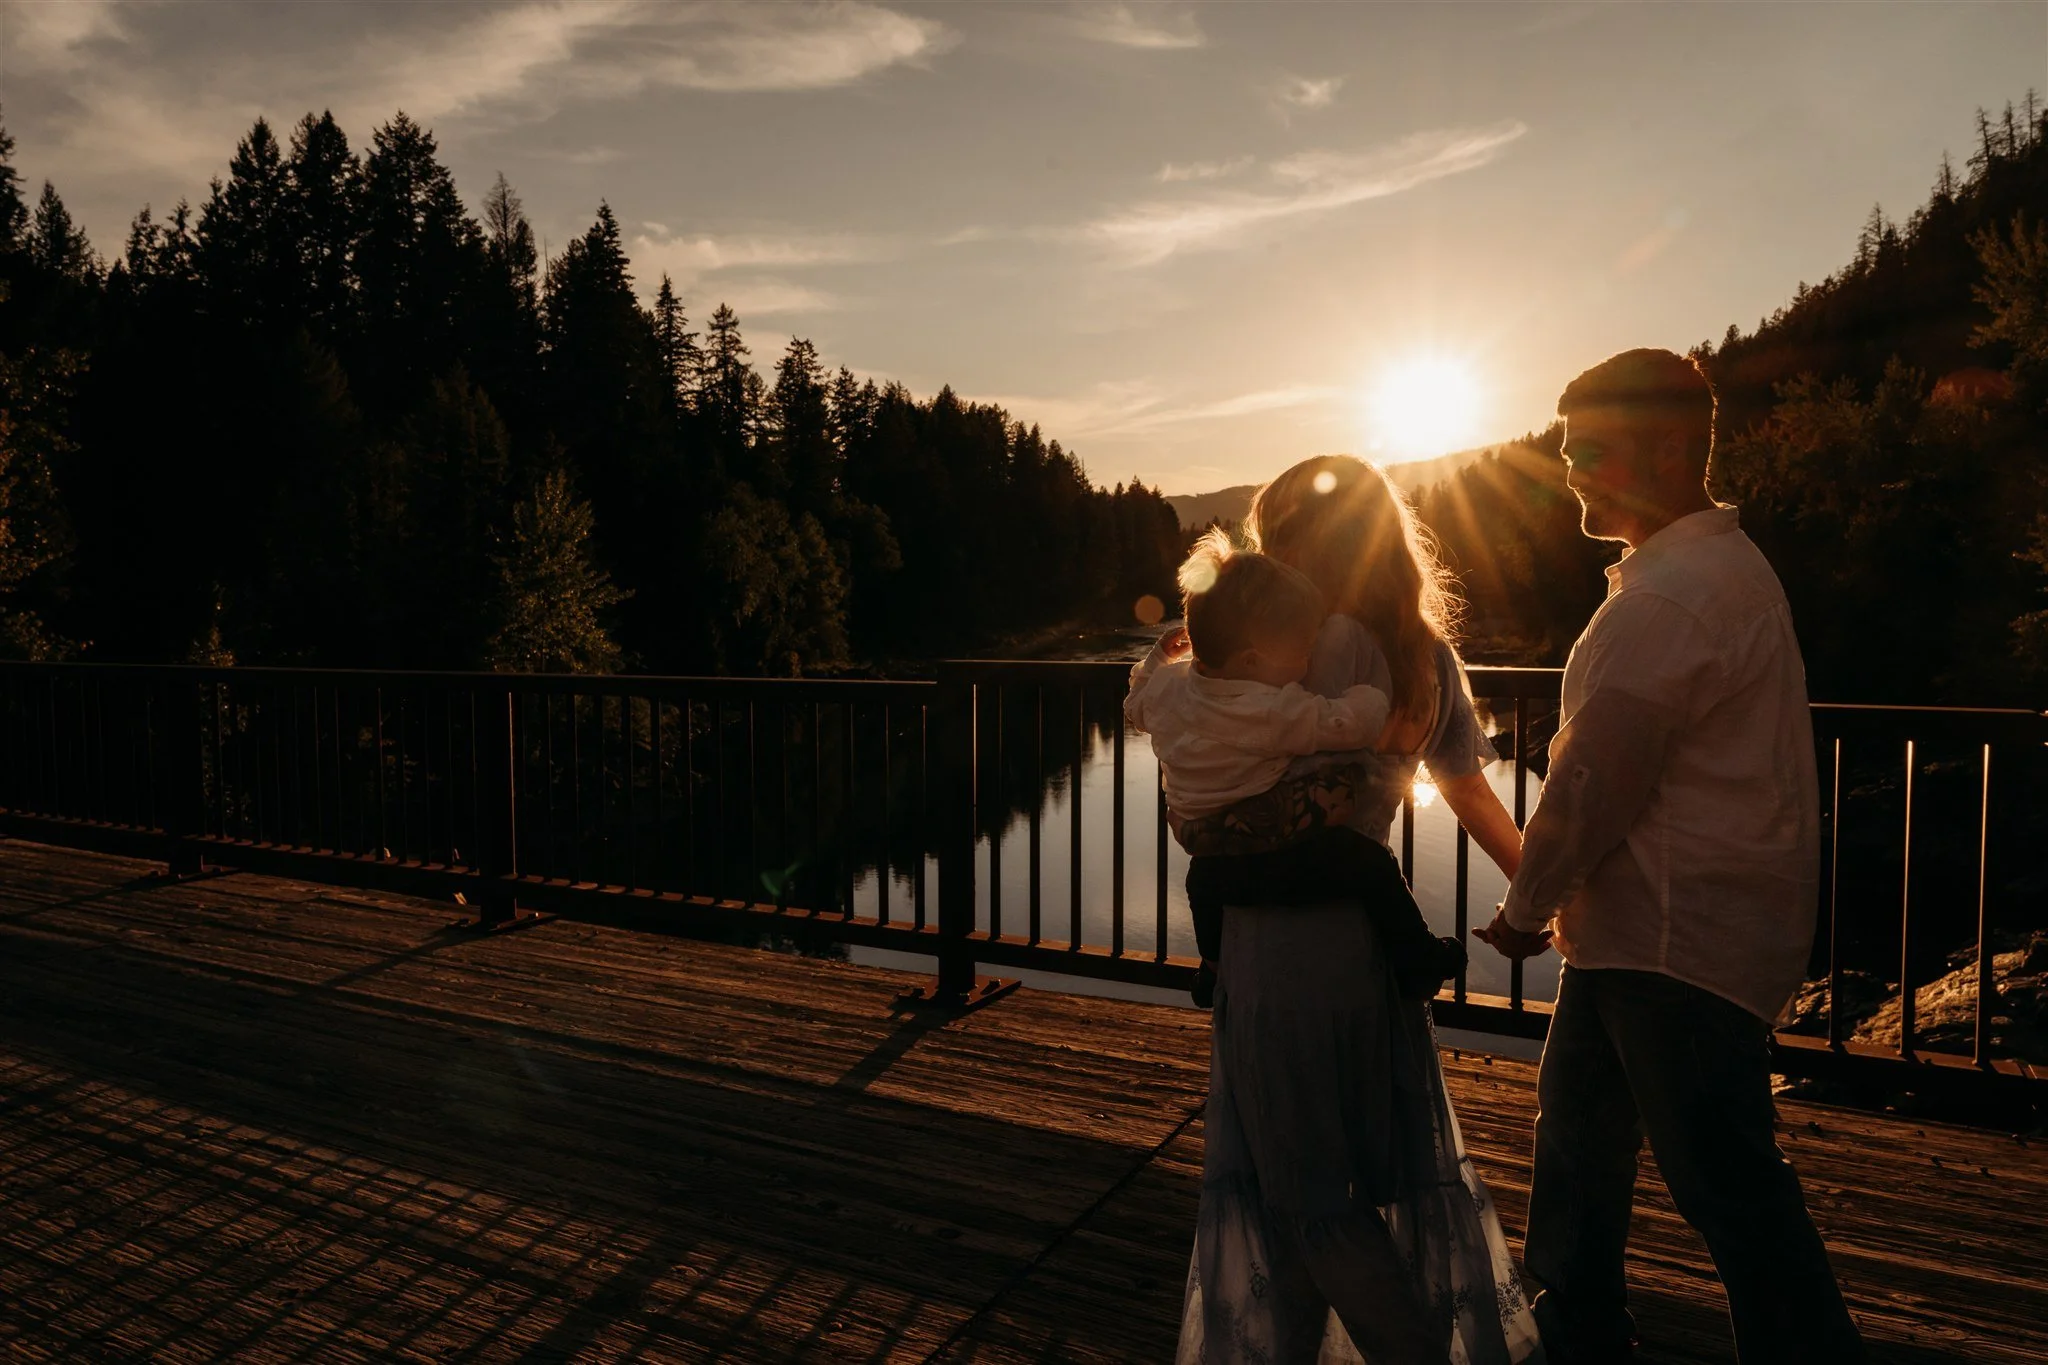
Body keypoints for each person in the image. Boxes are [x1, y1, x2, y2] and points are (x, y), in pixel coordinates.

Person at [1475, 349, 1866, 1365]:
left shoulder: (1667, 597)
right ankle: (1576, 1329)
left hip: (1671, 938)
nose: (1568, 466)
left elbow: (1590, 783)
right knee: (1576, 1143)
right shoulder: (1710, 570)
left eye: (1587, 447)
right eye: (1566, 446)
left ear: (1665, 447)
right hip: (1642, 935)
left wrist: (1522, 911)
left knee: (1722, 1182)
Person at [1172, 455, 1541, 1365]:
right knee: (1320, 1188)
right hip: (1365, 953)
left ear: (1303, 540)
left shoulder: (1308, 651)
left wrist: (1193, 819)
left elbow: (1217, 797)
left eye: (1271, 537)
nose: (1266, 559)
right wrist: (1544, 893)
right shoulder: (1423, 648)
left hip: (1278, 952)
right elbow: (1470, 795)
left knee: (1304, 1198)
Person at [1124, 534, 1465, 1008]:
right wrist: (1370, 694)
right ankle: (1419, 959)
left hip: (1209, 852)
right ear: (1251, 661)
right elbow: (1344, 725)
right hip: (1273, 851)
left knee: (1200, 884)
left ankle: (1212, 970)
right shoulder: (1269, 711)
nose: (1308, 663)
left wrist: (1159, 658)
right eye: (1301, 652)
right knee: (1368, 863)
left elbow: (1134, 704)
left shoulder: (1168, 690)